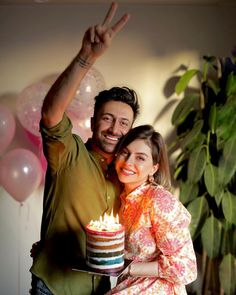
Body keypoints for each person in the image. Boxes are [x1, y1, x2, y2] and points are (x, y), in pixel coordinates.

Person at [30, 3, 140, 295]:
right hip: (55, 286)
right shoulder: (68, 152)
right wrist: (85, 58)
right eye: (107, 119)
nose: (115, 129)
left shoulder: (128, 174)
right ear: (93, 122)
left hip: (103, 288)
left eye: (123, 123)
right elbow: (51, 116)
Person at [106, 125, 197, 295]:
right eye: (125, 152)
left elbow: (186, 267)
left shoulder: (159, 200)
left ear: (154, 168)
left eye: (140, 158)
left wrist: (128, 269)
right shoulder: (123, 198)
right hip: (128, 286)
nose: (128, 162)